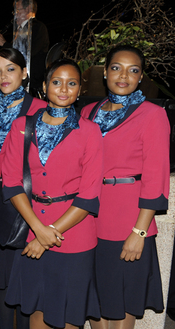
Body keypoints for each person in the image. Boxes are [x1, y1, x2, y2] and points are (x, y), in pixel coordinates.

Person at [2, 59, 103, 328]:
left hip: (75, 235)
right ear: (44, 86)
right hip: (31, 228)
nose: (63, 89)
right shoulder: (21, 126)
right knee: (37, 311)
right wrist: (38, 229)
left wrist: (48, 235)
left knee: (69, 315)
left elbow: (89, 194)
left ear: (80, 90)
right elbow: (11, 182)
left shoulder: (91, 131)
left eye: (72, 83)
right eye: (56, 82)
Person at [80, 45, 170, 329]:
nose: (123, 75)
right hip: (87, 221)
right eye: (116, 67)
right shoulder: (85, 112)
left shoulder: (153, 115)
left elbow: (156, 178)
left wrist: (140, 232)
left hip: (127, 222)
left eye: (133, 70)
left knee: (121, 303)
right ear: (105, 71)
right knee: (94, 301)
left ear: (141, 77)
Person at [0, 48, 46, 329]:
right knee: (2, 280)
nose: (3, 76)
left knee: (24, 281)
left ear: (24, 72)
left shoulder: (40, 110)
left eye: (10, 69)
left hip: (26, 203)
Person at [0, 0, 49, 103]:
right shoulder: (20, 30)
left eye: (17, 10)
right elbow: (11, 57)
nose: (15, 14)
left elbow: (25, 55)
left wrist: (4, 44)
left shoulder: (37, 27)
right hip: (13, 71)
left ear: (28, 9)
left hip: (30, 74)